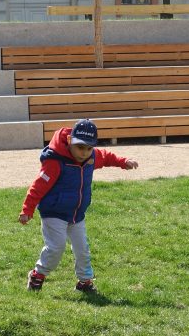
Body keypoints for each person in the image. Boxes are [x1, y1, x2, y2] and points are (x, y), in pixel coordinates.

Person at [19, 119, 138, 293]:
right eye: (80, 147)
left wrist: (123, 161)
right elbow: (38, 186)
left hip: (76, 214)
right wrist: (27, 210)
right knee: (56, 248)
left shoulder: (91, 157)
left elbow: (105, 156)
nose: (84, 153)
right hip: (54, 213)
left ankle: (85, 282)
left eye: (89, 148)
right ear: (69, 142)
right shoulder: (55, 161)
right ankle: (38, 274)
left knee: (83, 251)